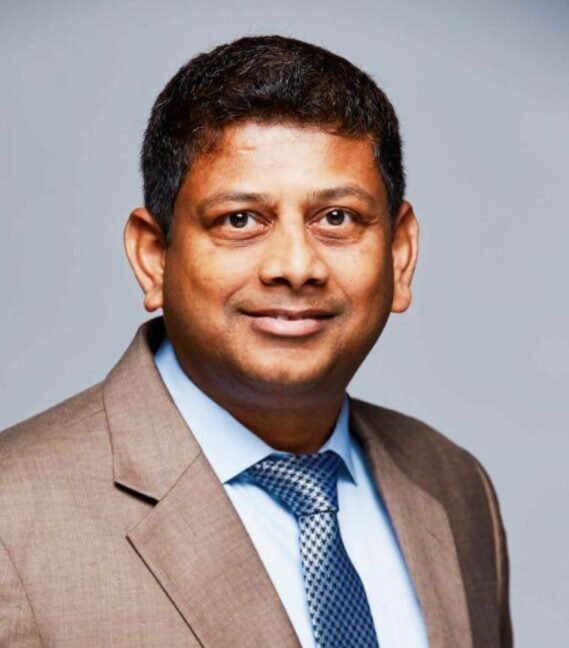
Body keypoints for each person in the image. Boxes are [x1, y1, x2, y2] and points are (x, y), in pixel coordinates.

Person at [0, 35, 512, 647]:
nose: (295, 266)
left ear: (400, 255)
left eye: (337, 218)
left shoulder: (454, 485)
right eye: (240, 220)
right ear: (153, 256)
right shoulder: (13, 518)